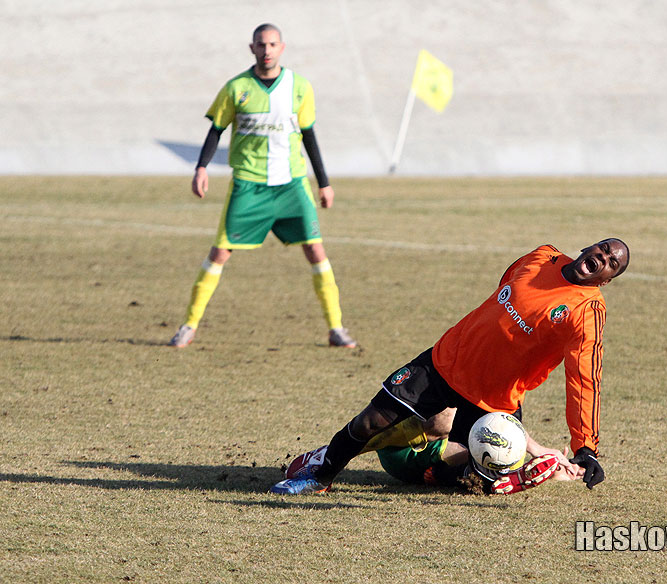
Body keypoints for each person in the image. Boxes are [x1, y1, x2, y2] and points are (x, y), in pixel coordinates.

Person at [270, 238, 630, 495]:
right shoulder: (541, 256)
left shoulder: (587, 311)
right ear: (588, 248)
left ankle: (532, 468)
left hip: (495, 395)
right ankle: (320, 476)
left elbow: (584, 379)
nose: (603, 258)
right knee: (369, 421)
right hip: (445, 362)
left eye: (612, 263)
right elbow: (503, 288)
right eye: (602, 250)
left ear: (606, 280)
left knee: (481, 475)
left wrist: (586, 447)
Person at [168, 23, 356, 349]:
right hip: (249, 185)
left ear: (281, 48)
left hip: (291, 185)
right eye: (260, 44)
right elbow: (216, 130)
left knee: (315, 249)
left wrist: (324, 184)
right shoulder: (236, 87)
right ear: (251, 48)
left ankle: (337, 328)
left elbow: (309, 135)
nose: (266, 50)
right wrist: (201, 167)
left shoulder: (300, 87)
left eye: (272, 44)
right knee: (220, 253)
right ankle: (189, 325)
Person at [286, 408, 584, 494]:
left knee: (503, 452)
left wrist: (546, 457)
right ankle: (333, 455)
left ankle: (482, 478)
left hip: (434, 463)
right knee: (444, 419)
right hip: (402, 452)